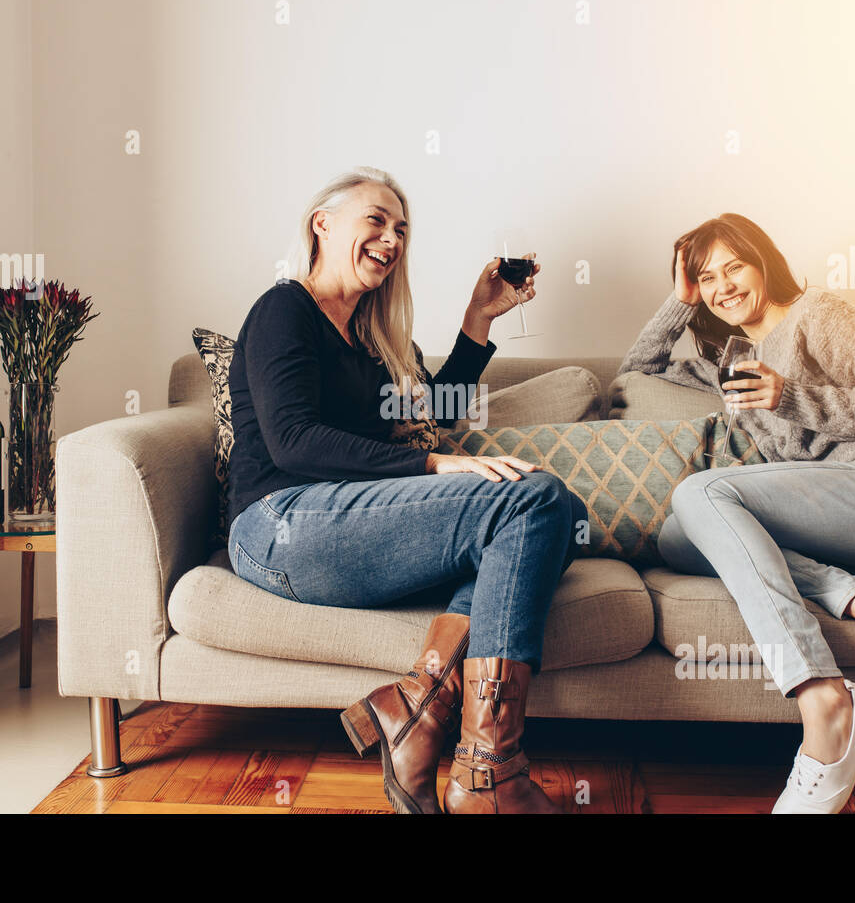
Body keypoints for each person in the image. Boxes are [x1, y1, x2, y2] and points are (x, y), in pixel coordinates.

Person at [226, 167, 588, 814]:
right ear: (323, 223)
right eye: (377, 220)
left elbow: (443, 410)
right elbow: (293, 442)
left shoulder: (373, 338)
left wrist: (478, 316)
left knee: (557, 506)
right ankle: (489, 771)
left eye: (402, 229)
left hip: (350, 526)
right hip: (279, 526)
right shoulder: (286, 309)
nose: (392, 239)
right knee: (532, 499)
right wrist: (432, 467)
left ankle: (420, 707)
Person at [620, 213, 855, 814]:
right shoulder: (726, 356)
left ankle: (824, 699)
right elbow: (634, 372)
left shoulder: (819, 315)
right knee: (681, 539)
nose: (723, 286)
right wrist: (679, 300)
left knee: (701, 494)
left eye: (734, 267)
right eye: (707, 277)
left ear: (763, 262)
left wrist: (792, 396)